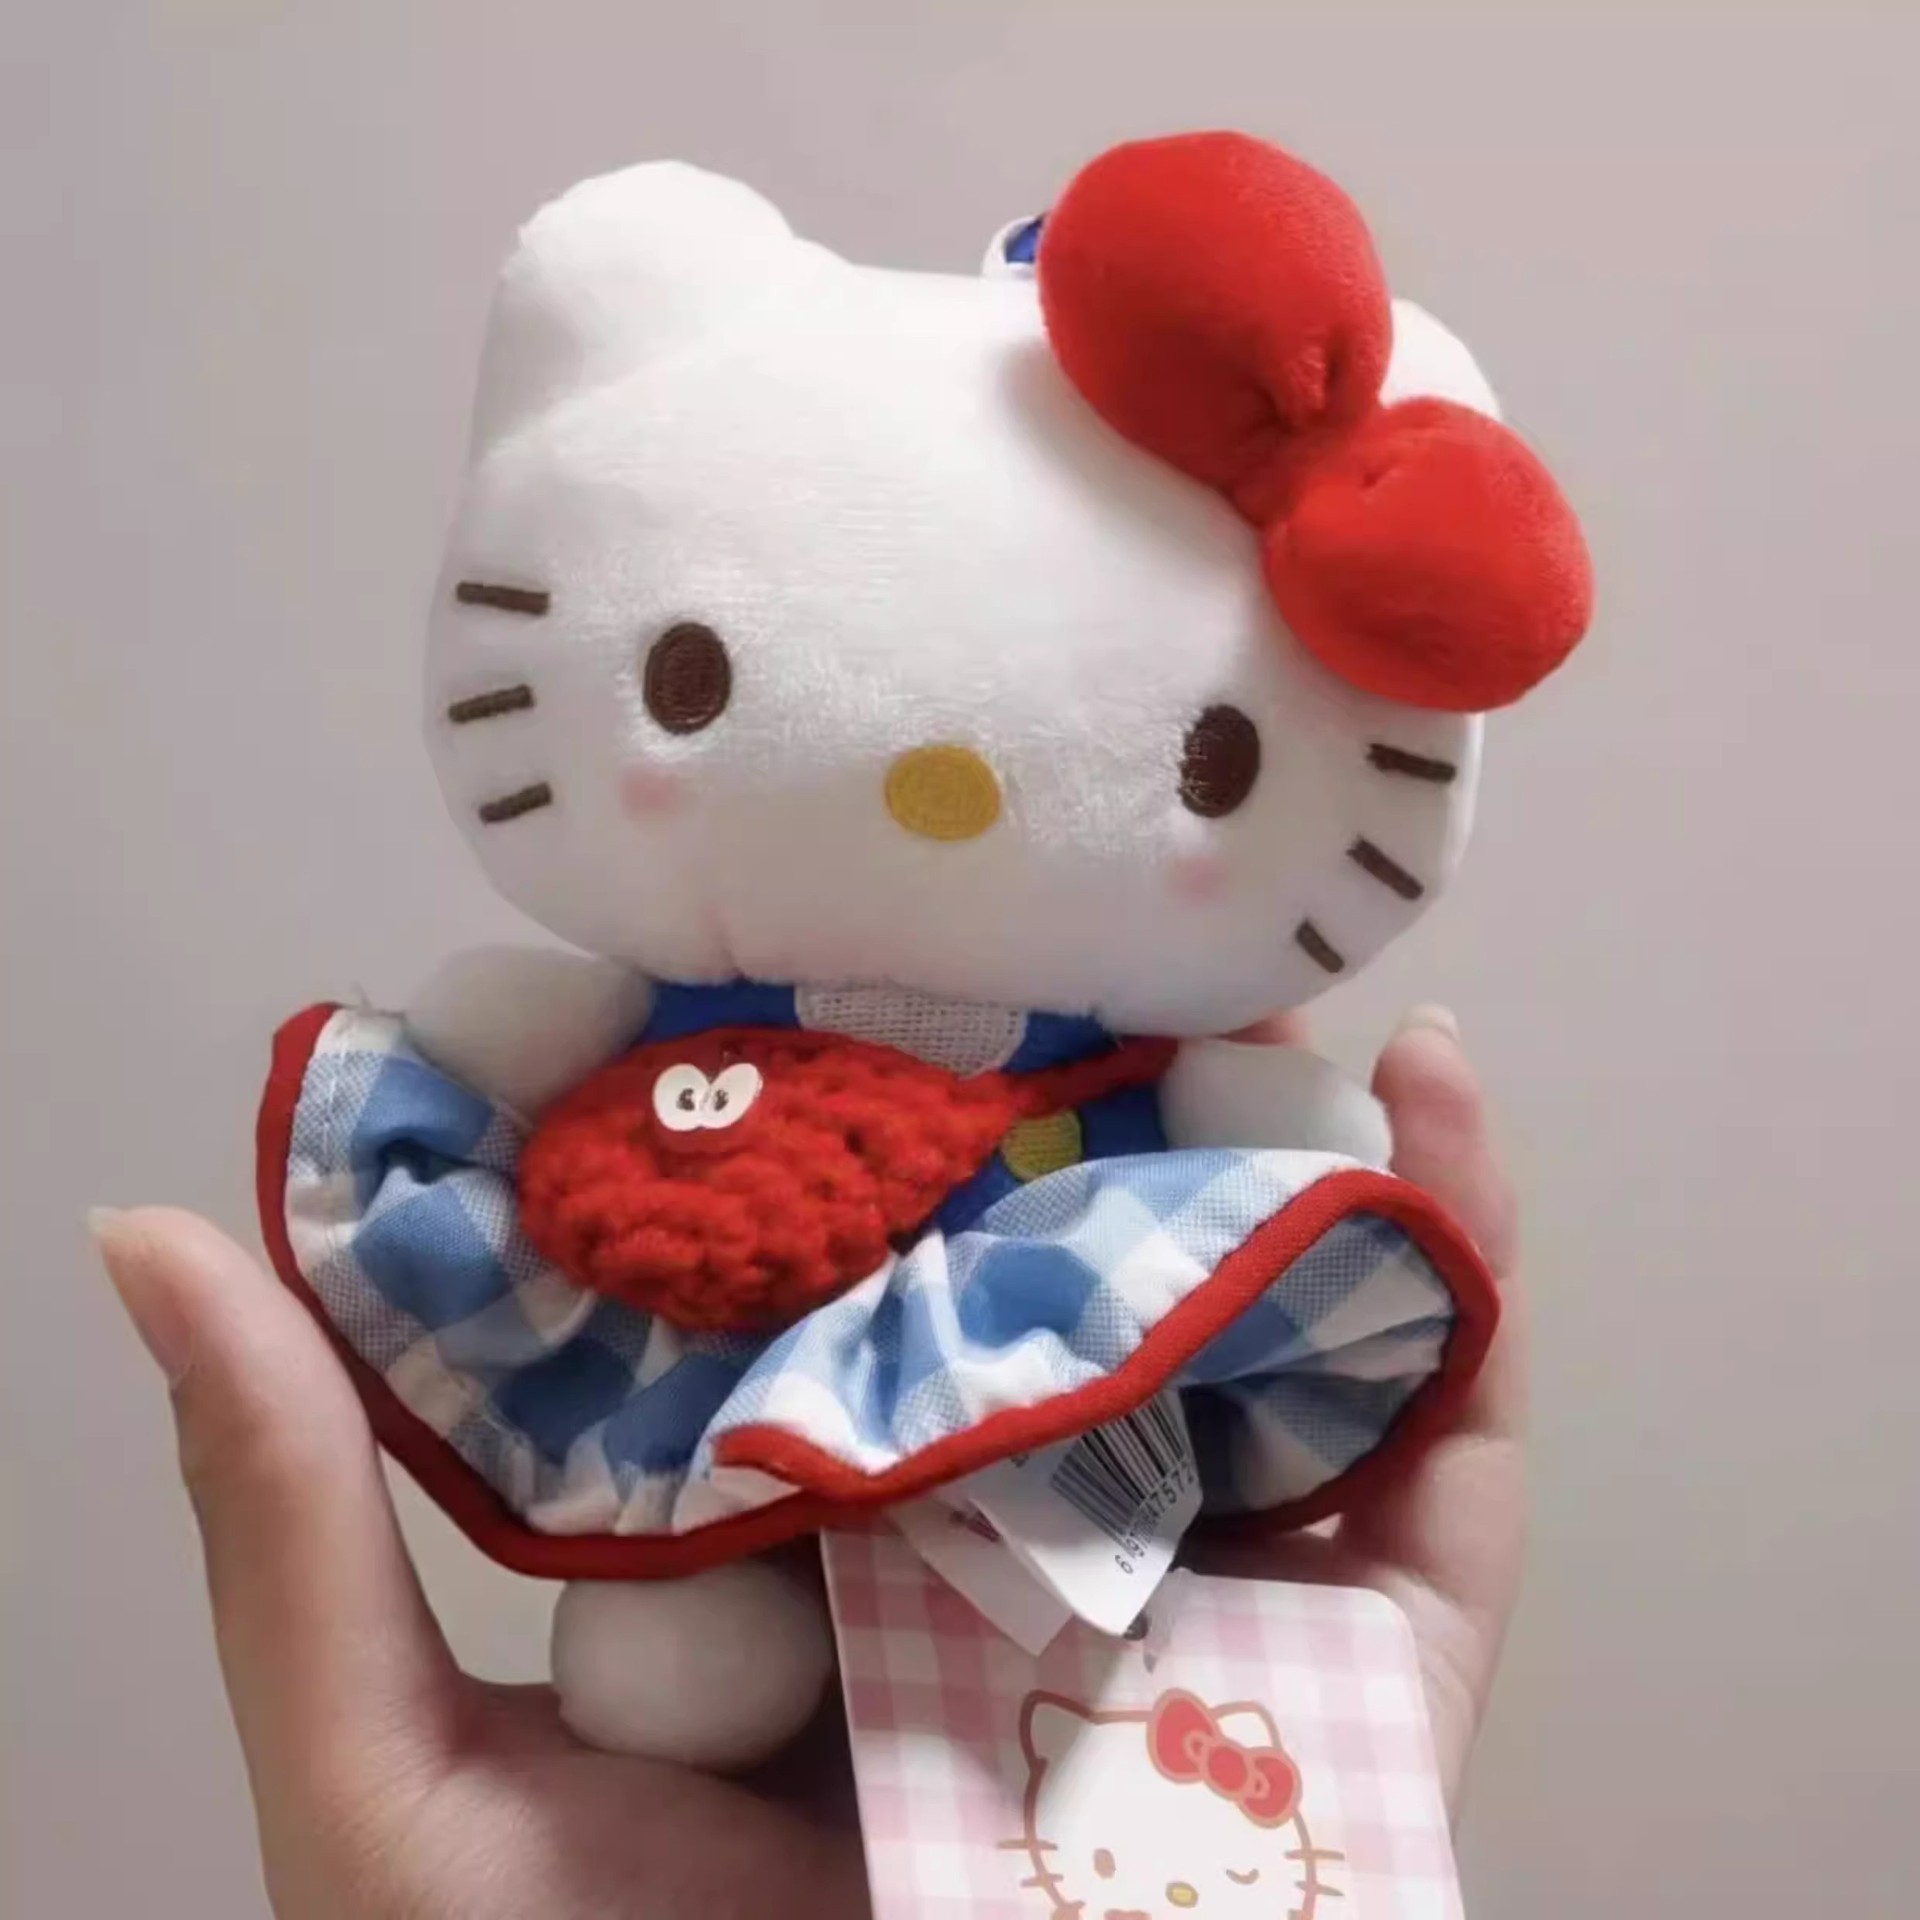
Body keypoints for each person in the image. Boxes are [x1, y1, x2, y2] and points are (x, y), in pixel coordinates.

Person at [92, 1006, 1521, 1919]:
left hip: (1074, 1378)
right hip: (707, 1273)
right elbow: (511, 1023)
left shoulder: (1132, 1058)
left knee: (1086, 1569)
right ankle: (715, 1614)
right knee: (689, 1650)